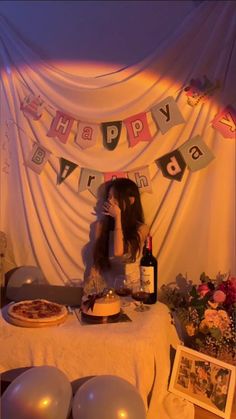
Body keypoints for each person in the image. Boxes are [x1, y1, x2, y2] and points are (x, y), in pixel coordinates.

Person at [84, 178, 149, 294]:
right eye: (109, 196)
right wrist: (92, 280)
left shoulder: (142, 228)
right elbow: (97, 260)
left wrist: (118, 218)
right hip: (108, 289)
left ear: (130, 200)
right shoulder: (101, 225)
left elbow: (119, 252)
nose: (110, 201)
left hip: (132, 289)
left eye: (115, 197)